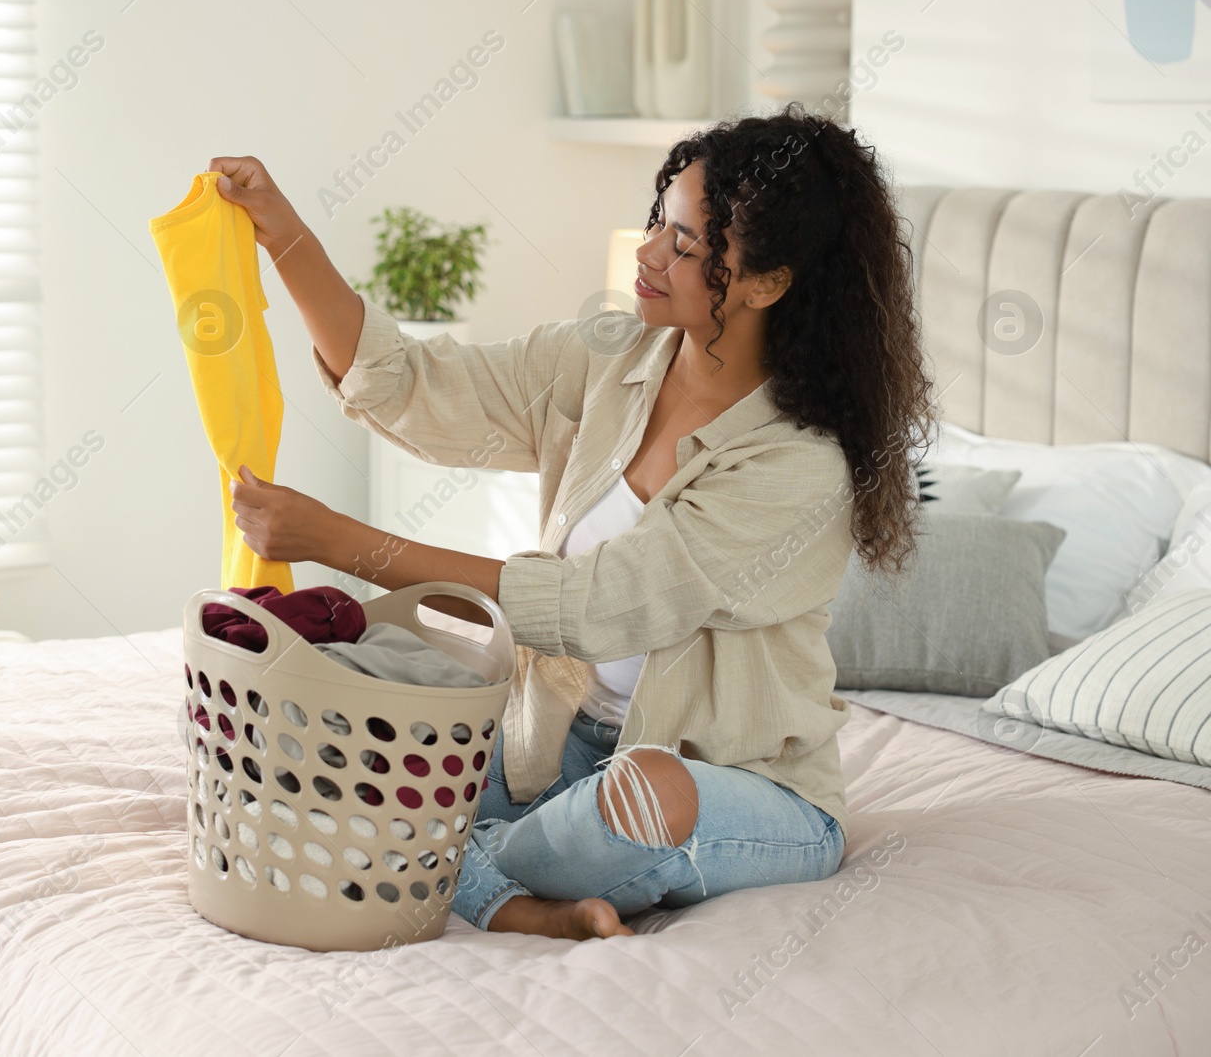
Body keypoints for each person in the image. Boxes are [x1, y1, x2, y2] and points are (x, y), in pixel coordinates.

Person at [215, 102, 937, 940]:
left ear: (768, 283)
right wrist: (282, 231)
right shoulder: (611, 357)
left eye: (686, 245)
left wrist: (344, 543)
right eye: (659, 225)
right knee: (319, 726)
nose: (650, 253)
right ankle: (502, 883)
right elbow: (414, 383)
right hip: (554, 747)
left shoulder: (795, 464)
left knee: (648, 793)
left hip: (728, 782)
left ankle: (451, 867)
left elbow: (593, 607)